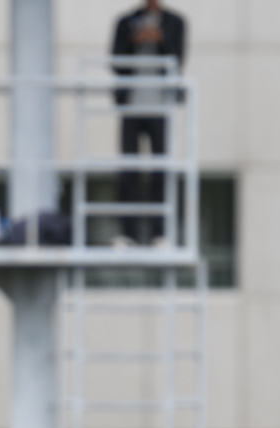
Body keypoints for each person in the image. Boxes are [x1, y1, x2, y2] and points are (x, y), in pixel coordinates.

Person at [109, 1, 187, 245]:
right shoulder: (125, 22)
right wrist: (134, 41)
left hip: (160, 106)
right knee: (128, 171)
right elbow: (115, 61)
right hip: (132, 105)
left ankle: (159, 233)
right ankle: (128, 233)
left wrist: (160, 40)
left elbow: (178, 59)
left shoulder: (175, 23)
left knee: (160, 172)